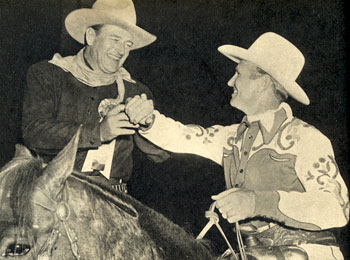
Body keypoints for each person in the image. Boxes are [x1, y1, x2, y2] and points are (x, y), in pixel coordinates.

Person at [125, 32, 349, 259]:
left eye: (238, 74)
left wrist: (256, 202)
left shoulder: (306, 137)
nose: (230, 82)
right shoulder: (233, 137)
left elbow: (336, 207)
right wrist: (149, 120)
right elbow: (184, 136)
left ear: (263, 83)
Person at [22, 0, 168, 192]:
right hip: (50, 193)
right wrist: (98, 133)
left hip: (113, 198)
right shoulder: (49, 74)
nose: (122, 51)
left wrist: (150, 125)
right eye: (115, 39)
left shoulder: (136, 92)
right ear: (91, 36)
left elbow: (160, 155)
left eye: (128, 44)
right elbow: (34, 132)